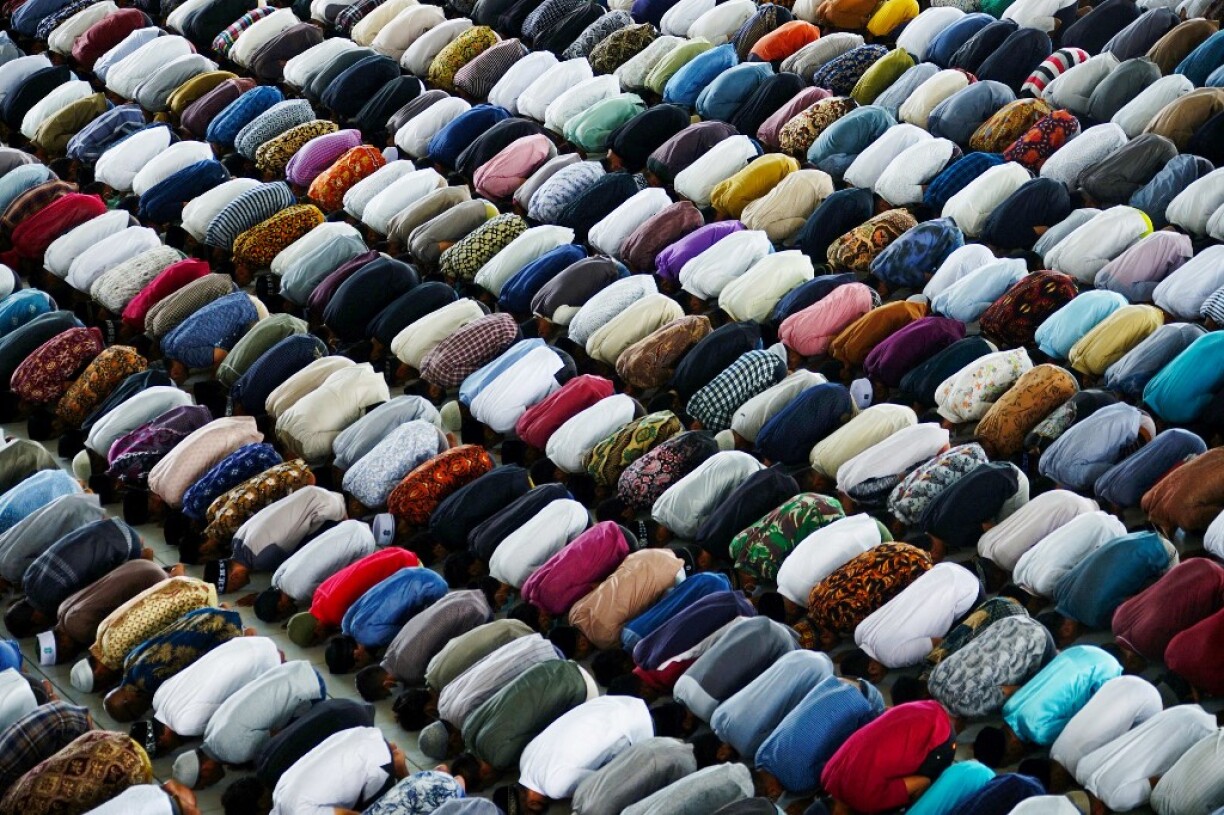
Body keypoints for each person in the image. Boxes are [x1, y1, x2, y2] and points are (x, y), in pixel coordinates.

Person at [974, 645, 1123, 768]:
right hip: (1079, 651)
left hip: (1103, 671)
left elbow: (1079, 722)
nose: (1018, 760)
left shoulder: (1039, 733)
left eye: (1010, 762)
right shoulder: (1008, 708)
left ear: (1010, 750)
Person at [511, 695, 653, 812]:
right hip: (611, 703)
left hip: (635, 724)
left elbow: (608, 783)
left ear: (532, 804)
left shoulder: (555, 786)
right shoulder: (525, 760)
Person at [821, 700, 956, 815]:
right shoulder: (827, 774)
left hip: (940, 731)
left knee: (926, 785)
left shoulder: (865, 801)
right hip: (921, 708)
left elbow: (922, 781)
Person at [270, 726, 410, 815]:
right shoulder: (279, 794)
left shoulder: (302, 812)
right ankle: (397, 764)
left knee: (385, 809)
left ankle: (398, 768)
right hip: (360, 735)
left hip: (376, 763)